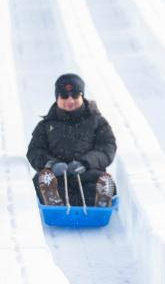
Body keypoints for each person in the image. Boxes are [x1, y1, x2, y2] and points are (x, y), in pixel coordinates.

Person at [27, 73, 117, 208]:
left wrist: (86, 162)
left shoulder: (97, 122)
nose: (70, 100)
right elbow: (34, 151)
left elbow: (107, 148)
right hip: (57, 177)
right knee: (43, 181)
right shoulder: (45, 125)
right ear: (57, 97)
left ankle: (101, 199)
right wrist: (51, 164)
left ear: (82, 96)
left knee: (99, 183)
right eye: (64, 96)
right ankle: (53, 199)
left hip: (88, 174)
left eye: (75, 95)